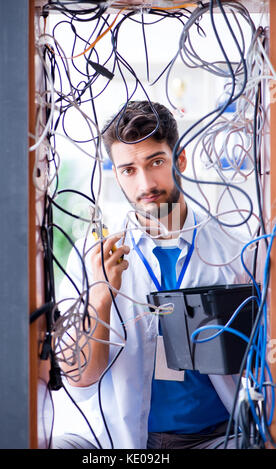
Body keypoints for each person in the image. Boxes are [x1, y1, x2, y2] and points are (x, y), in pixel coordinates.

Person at [51, 100, 252, 450]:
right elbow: (79, 377)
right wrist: (99, 295)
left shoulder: (236, 252)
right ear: (116, 174)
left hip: (215, 440)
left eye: (156, 162)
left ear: (180, 159)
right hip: (117, 442)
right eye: (129, 169)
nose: (146, 182)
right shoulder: (93, 255)